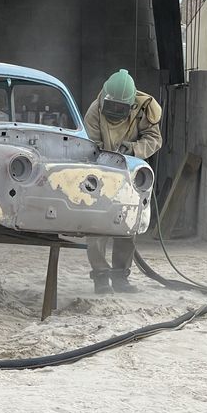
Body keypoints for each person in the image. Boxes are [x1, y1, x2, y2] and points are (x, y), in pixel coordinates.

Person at [83, 69, 162, 294]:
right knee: (97, 226)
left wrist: (135, 149)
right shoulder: (94, 110)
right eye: (112, 108)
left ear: (131, 104)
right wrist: (109, 160)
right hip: (101, 172)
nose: (115, 113)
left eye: (121, 109)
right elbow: (90, 146)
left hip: (131, 174)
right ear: (105, 99)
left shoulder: (144, 109)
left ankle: (120, 277)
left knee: (128, 225)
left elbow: (154, 138)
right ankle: (100, 276)